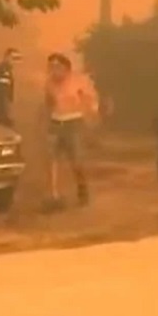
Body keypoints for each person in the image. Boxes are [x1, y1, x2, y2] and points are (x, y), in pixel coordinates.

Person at [42, 52, 98, 210]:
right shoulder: (49, 83)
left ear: (66, 68)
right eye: (51, 67)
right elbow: (47, 103)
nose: (53, 70)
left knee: (76, 161)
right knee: (51, 160)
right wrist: (45, 121)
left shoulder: (79, 81)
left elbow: (91, 100)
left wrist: (91, 116)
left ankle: (82, 188)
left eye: (57, 66)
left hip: (73, 123)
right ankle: (53, 194)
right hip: (55, 122)